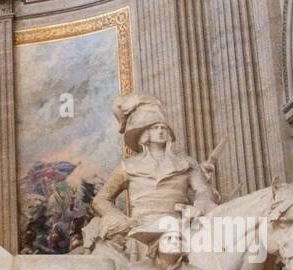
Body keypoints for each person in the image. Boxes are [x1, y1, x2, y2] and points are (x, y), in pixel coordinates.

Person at [89, 95, 217, 257]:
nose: (160, 131)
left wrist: (200, 204)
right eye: (155, 128)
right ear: (144, 133)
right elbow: (101, 200)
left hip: (177, 225)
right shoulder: (127, 166)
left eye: (163, 127)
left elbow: (203, 190)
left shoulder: (186, 163)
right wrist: (120, 219)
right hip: (140, 229)